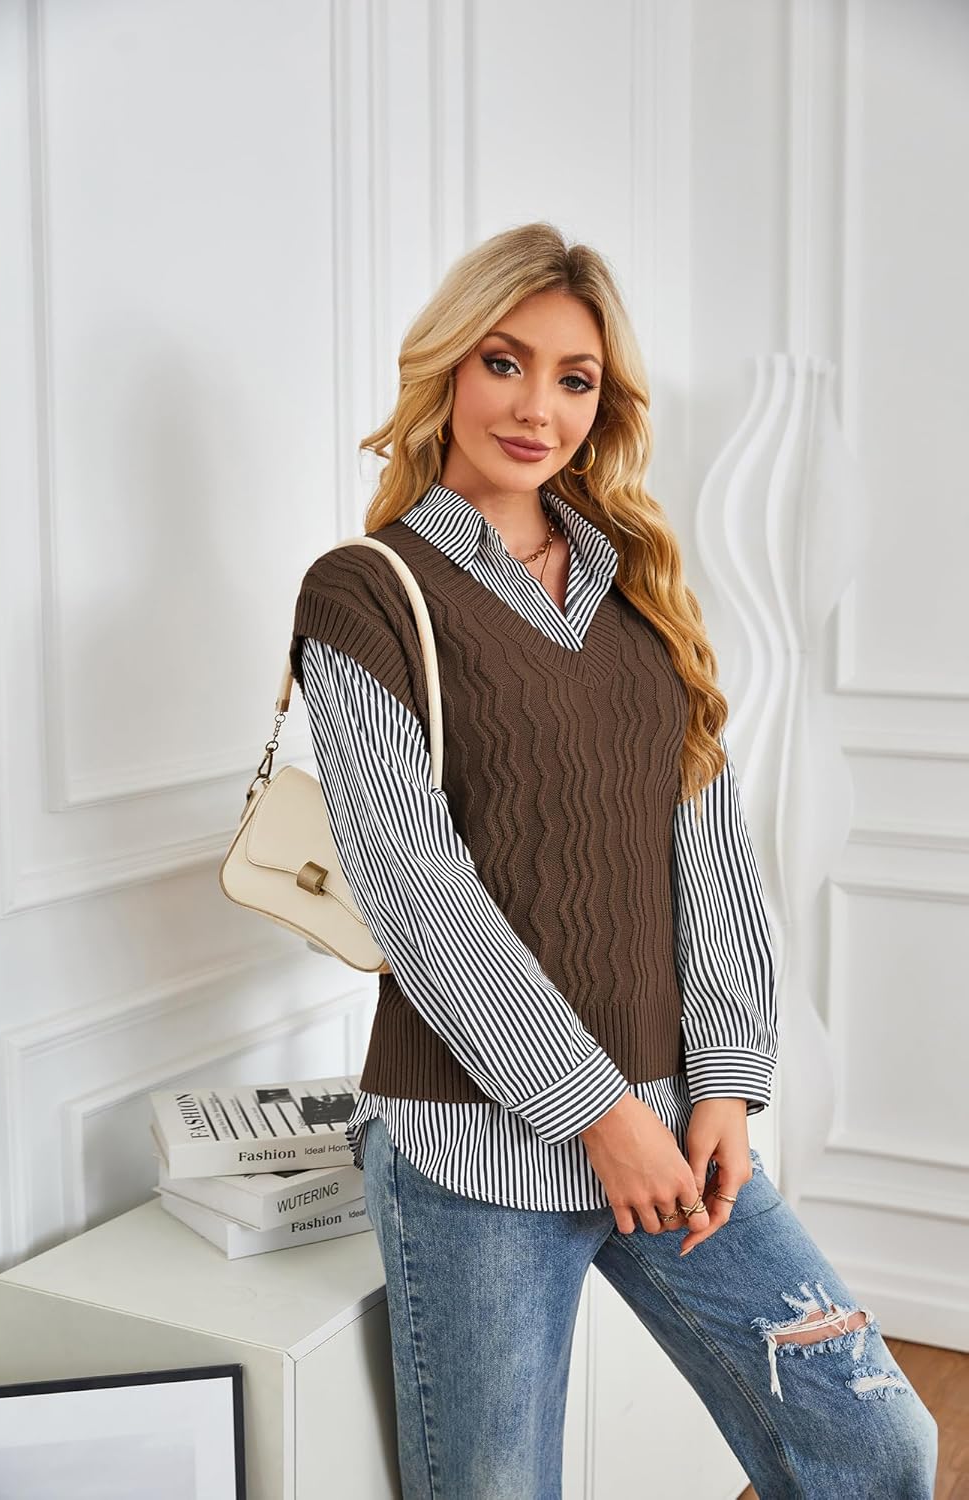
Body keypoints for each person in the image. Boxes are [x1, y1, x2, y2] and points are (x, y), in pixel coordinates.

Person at [290, 222, 937, 1499]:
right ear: (446, 369)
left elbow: (711, 850)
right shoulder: (365, 593)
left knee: (875, 1442)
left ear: (605, 403)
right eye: (503, 362)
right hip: (471, 1149)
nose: (536, 408)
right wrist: (598, 1112)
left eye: (574, 378)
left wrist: (724, 1088)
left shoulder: (638, 588)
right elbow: (416, 890)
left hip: (675, 1132)